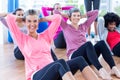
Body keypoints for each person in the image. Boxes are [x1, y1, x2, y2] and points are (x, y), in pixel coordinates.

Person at [6, 9, 100, 80]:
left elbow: (57, 18)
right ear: (25, 22)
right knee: (60, 63)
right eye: (29, 21)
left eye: (35, 21)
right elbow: (10, 18)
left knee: (79, 60)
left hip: (54, 71)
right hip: (37, 75)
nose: (32, 24)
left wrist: (41, 19)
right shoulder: (22, 39)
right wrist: (23, 19)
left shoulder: (45, 36)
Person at [55, 7, 120, 80]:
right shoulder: (66, 27)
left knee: (101, 43)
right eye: (74, 15)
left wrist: (82, 16)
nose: (76, 17)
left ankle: (113, 68)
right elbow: (56, 12)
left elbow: (96, 12)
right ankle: (101, 70)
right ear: (69, 17)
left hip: (87, 57)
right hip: (74, 56)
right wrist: (68, 15)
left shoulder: (84, 26)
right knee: (88, 44)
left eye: (78, 15)